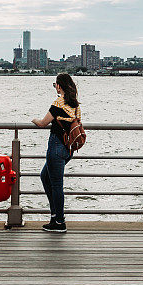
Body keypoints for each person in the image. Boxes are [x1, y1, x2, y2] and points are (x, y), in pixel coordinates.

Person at [31, 72, 81, 233]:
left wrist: (34, 120)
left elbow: (43, 123)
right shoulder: (75, 105)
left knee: (56, 185)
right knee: (45, 176)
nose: (55, 88)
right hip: (68, 148)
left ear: (59, 86)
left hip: (56, 146)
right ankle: (54, 217)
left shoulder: (59, 102)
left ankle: (59, 221)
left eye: (55, 85)